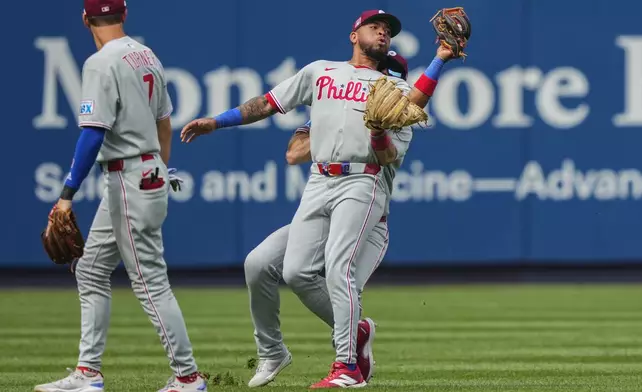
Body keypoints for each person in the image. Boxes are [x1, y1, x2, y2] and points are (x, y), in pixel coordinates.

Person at [181, 9, 455, 388]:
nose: (383, 33)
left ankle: (347, 368)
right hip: (320, 181)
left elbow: (393, 143)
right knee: (281, 269)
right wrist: (217, 121)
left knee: (338, 270)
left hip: (363, 184)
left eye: (388, 33)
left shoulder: (397, 105)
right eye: (375, 27)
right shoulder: (321, 72)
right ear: (353, 35)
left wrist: (440, 59)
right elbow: (269, 108)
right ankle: (304, 345)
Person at [34, 1, 206, 391]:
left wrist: (66, 195)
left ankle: (188, 377)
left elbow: (93, 132)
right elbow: (165, 122)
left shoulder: (100, 62)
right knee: (91, 268)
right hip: (143, 172)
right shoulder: (146, 55)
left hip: (128, 177)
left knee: (150, 283)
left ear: (85, 19)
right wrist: (161, 169)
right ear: (124, 15)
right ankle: (88, 373)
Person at [244, 53, 409, 388]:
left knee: (338, 278)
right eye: (378, 72)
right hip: (324, 206)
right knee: (258, 263)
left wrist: (365, 128)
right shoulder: (340, 97)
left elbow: (386, 154)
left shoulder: (399, 117)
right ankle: (274, 350)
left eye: (387, 78)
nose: (377, 84)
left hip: (365, 219)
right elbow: (293, 152)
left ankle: (347, 362)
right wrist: (332, 123)